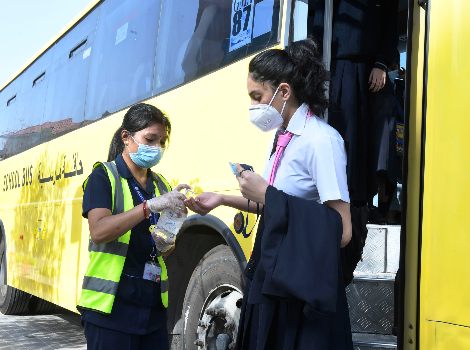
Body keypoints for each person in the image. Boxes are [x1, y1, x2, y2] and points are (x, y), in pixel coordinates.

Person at [185, 39, 353, 349]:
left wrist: (267, 194)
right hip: (270, 272)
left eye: (257, 97)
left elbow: (341, 230)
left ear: (284, 92)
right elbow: (274, 203)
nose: (253, 106)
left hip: (298, 287)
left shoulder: (321, 141)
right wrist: (221, 199)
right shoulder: (282, 138)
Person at [77, 103, 189, 350]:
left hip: (152, 308)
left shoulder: (161, 185)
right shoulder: (104, 177)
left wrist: (170, 234)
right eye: (150, 139)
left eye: (162, 142)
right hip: (111, 309)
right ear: (126, 137)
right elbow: (99, 231)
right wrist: (148, 207)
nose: (156, 148)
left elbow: (164, 249)